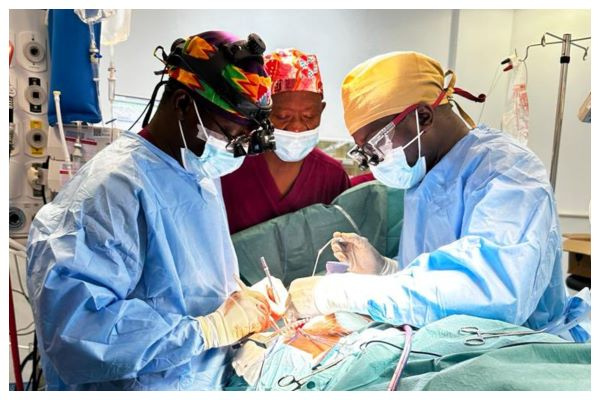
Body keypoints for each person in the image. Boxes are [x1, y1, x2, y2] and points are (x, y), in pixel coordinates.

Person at [27, 31, 280, 390]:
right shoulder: (110, 192)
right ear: (181, 104)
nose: (232, 151)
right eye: (228, 134)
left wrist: (239, 299)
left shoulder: (195, 170)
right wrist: (208, 329)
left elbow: (189, 278)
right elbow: (77, 334)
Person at [285, 51, 590, 342]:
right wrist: (385, 270)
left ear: (423, 116)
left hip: (515, 351)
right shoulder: (425, 177)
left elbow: (489, 294)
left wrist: (339, 292)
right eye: (365, 152)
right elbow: (437, 279)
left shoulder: (509, 174)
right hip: (448, 343)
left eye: (376, 145)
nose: (375, 160)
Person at [221, 48, 350, 234]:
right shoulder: (230, 167)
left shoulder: (331, 176)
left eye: (309, 116)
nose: (296, 127)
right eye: (283, 116)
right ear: (262, 111)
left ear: (321, 111)